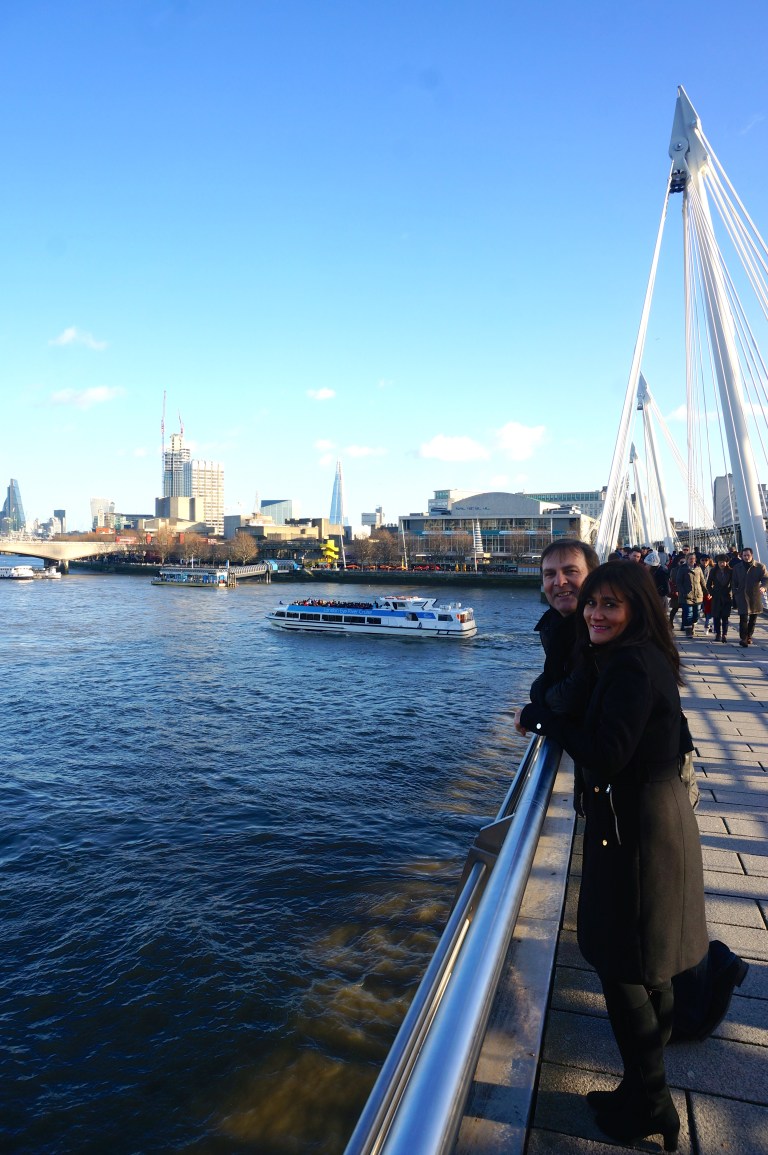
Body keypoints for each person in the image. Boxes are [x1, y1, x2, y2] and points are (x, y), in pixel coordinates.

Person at [517, 562, 709, 1148]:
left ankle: (652, 1103)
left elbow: (604, 756)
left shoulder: (629, 666)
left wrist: (547, 721)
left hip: (637, 839)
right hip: (651, 825)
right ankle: (641, 1089)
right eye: (593, 604)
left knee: (626, 971)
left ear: (636, 611)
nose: (596, 614)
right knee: (650, 969)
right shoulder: (637, 656)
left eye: (610, 606)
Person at [731, 546, 768, 647]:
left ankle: (749, 636)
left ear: (752, 556)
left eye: (748, 555)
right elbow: (733, 581)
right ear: (741, 556)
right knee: (743, 617)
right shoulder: (737, 567)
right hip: (742, 595)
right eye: (744, 555)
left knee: (753, 618)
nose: (746, 557)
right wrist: (735, 592)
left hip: (755, 595)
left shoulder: (760, 567)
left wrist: (764, 587)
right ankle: (743, 638)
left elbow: (766, 578)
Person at [675, 552, 706, 637]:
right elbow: (678, 582)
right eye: (690, 559)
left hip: (698, 595)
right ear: (687, 559)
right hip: (687, 595)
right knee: (688, 613)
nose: (692, 560)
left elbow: (702, 581)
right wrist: (683, 592)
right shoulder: (682, 569)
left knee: (696, 614)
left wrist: (707, 592)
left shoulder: (698, 568)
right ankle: (688, 631)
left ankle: (693, 626)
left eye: (693, 558)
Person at [707, 554, 733, 643]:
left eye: (723, 562)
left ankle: (724, 634)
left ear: (726, 562)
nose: (722, 564)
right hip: (716, 597)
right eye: (720, 562)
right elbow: (708, 584)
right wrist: (712, 592)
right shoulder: (713, 571)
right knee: (716, 616)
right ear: (717, 562)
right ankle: (717, 633)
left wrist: (730, 591)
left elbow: (733, 583)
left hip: (726, 596)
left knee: (725, 617)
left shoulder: (730, 571)